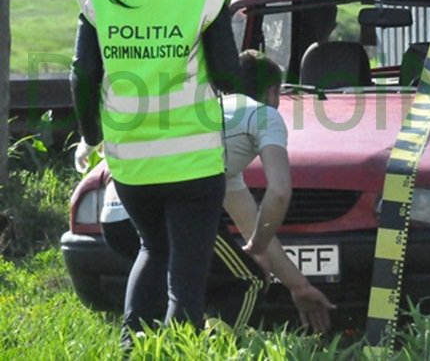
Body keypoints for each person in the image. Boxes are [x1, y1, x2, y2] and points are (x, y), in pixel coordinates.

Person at [70, 0, 242, 347]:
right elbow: (227, 77)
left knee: (153, 247)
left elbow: (83, 77)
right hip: (195, 159)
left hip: (131, 159)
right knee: (186, 277)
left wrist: (91, 136)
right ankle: (180, 352)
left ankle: (132, 350)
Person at [99, 50, 334, 334]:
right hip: (169, 209)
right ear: (273, 93)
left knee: (207, 277)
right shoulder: (263, 115)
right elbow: (280, 191)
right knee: (248, 279)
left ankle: (147, 347)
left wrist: (299, 286)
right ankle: (207, 350)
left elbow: (251, 225)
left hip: (116, 214)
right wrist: (257, 249)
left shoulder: (207, 123)